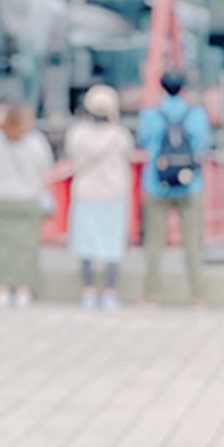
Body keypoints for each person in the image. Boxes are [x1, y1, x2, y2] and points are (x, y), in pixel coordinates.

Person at [138, 71, 211, 306]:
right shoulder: (196, 115)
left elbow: (144, 141)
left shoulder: (150, 114)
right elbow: (202, 144)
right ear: (183, 88)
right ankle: (197, 294)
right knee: (192, 242)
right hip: (190, 183)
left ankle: (152, 293)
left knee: (154, 242)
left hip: (156, 183)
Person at [65, 85, 135, 310]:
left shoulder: (77, 134)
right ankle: (110, 293)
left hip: (86, 193)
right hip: (113, 194)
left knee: (85, 245)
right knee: (112, 246)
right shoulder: (120, 135)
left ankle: (88, 291)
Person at [0, 102, 54, 307]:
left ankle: (1, 289)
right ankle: (24, 289)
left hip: (2, 199)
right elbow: (46, 167)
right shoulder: (36, 141)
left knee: (0, 246)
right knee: (27, 247)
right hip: (28, 199)